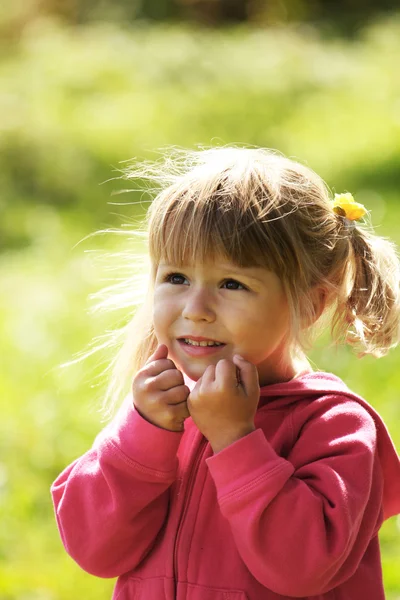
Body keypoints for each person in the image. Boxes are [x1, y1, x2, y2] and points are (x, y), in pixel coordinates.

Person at [51, 147, 400, 600]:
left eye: (232, 284)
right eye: (176, 277)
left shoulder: (335, 427)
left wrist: (236, 442)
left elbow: (303, 570)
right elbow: (93, 551)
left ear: (310, 304)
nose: (195, 311)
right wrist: (143, 436)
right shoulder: (162, 409)